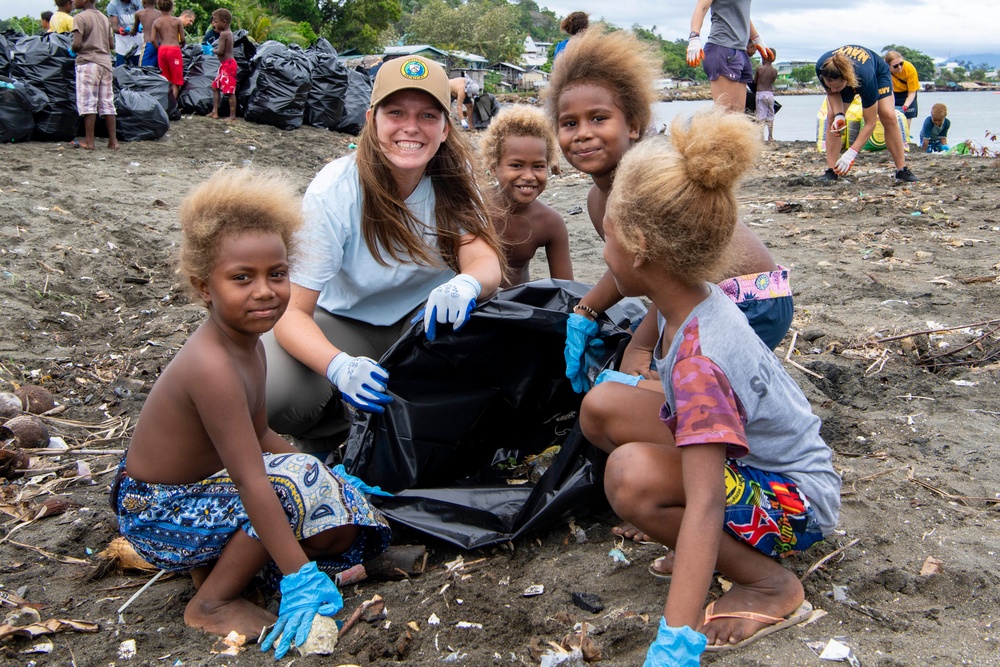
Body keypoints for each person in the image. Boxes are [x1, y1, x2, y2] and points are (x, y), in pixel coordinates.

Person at [581, 109, 840, 661]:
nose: (603, 257)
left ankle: (769, 584)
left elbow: (702, 506)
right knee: (603, 407)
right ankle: (711, 551)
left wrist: (676, 639)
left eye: (606, 240)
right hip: (754, 467)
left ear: (641, 246)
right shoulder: (691, 299)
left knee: (630, 478)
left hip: (796, 503)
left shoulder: (702, 363)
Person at [110, 169, 391, 658]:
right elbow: (252, 480)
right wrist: (299, 576)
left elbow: (261, 432)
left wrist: (330, 480)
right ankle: (212, 602)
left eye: (277, 275)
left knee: (322, 493)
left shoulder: (251, 345)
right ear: (204, 287)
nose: (265, 291)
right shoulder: (212, 366)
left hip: (198, 490)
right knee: (286, 488)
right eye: (242, 278)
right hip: (156, 510)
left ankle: (223, 563)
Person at [262, 55, 505, 453]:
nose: (411, 127)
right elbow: (292, 312)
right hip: (347, 323)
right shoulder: (336, 190)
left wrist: (466, 283)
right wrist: (338, 367)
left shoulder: (454, 180)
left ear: (446, 128)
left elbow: (484, 259)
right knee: (277, 392)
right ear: (372, 118)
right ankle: (330, 428)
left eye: (428, 115)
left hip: (426, 324)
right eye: (396, 113)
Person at [545, 27, 791, 394]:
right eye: (569, 123)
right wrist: (587, 310)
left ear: (633, 125)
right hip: (700, 291)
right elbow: (631, 266)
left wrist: (642, 346)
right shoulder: (599, 200)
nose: (582, 133)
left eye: (598, 118)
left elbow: (674, 278)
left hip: (748, 299)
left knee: (669, 391)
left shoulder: (648, 183)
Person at [479, 105, 573, 287]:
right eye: (516, 165)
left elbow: (566, 289)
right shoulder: (475, 209)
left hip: (520, 308)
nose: (529, 176)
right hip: (469, 307)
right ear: (493, 166)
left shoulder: (550, 222)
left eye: (538, 166)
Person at [816, 46, 918, 183]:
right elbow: (832, 93)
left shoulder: (865, 77)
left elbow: (870, 123)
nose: (834, 90)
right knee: (832, 118)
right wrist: (839, 115)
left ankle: (902, 169)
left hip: (876, 74)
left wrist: (851, 154)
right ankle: (831, 171)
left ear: (846, 79)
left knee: (888, 115)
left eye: (837, 87)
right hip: (846, 76)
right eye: (830, 86)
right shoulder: (823, 68)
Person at [686, 0, 775, 113]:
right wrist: (694, 37)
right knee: (726, 115)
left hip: (741, 51)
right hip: (722, 48)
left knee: (738, 117)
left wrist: (756, 39)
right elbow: (701, 7)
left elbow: (742, 14)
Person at [71, 0, 118, 151]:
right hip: (106, 63)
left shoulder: (80, 18)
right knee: (107, 102)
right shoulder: (105, 18)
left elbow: (77, 44)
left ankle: (89, 141)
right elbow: (111, 45)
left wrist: (72, 48)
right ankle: (113, 141)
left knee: (88, 101)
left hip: (88, 62)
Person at [151, 0, 185, 100]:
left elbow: (153, 39)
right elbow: (182, 39)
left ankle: (165, 103)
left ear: (158, 7)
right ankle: (173, 105)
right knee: (176, 80)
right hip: (174, 50)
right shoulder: (177, 21)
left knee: (165, 79)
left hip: (162, 50)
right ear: (172, 7)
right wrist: (182, 46)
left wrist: (159, 49)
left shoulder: (156, 22)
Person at [884, 50, 919, 142]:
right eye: (895, 66)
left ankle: (905, 142)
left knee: (906, 124)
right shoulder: (883, 71)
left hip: (908, 94)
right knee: (891, 119)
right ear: (888, 66)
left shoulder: (909, 69)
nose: (899, 67)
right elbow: (885, 90)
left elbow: (912, 92)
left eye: (901, 63)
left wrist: (905, 107)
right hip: (892, 93)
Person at [208, 8, 237, 121]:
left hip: (228, 65)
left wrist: (212, 50)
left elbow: (220, 51)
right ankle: (215, 111)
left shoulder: (224, 34)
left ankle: (232, 116)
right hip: (225, 65)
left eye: (216, 21)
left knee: (229, 91)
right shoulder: (228, 33)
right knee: (215, 87)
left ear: (223, 22)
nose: (214, 24)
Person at [105, 0, 143, 66]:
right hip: (123, 50)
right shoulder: (113, 5)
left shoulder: (139, 2)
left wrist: (140, 26)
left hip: (140, 48)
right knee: (122, 75)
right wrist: (120, 30)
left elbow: (145, 18)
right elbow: (114, 26)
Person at [753, 48, 777, 142]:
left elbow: (755, 81)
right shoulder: (774, 71)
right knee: (770, 115)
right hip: (770, 94)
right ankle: (770, 136)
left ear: (763, 57)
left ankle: (761, 136)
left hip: (760, 93)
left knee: (761, 116)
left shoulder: (759, 69)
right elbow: (772, 81)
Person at [132, 0, 161, 68]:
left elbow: (134, 30)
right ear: (156, 3)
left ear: (144, 2)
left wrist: (130, 31)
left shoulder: (139, 14)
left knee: (144, 70)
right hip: (161, 44)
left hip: (149, 44)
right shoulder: (160, 14)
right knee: (159, 70)